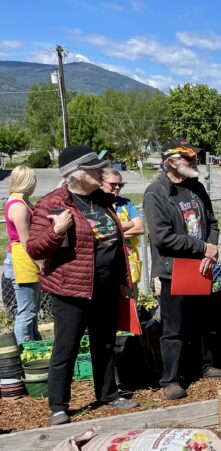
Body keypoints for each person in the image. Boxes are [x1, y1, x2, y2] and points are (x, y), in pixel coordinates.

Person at [27, 145, 138, 425]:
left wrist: (123, 280)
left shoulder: (101, 199)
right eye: (94, 168)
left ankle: (107, 393)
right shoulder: (53, 204)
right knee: (67, 347)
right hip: (71, 289)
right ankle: (59, 405)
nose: (101, 171)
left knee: (105, 343)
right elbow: (34, 248)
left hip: (105, 286)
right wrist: (56, 230)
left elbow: (116, 241)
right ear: (76, 174)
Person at [143, 138, 221, 401]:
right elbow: (162, 237)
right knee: (174, 326)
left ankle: (205, 365)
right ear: (171, 162)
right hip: (174, 269)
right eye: (188, 159)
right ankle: (170, 379)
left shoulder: (196, 188)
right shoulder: (156, 192)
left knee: (203, 321)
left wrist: (211, 249)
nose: (195, 162)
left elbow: (213, 223)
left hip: (201, 266)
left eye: (194, 158)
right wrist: (202, 248)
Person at [3, 166, 42, 343]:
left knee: (31, 311)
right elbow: (27, 242)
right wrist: (41, 263)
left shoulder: (22, 201)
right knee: (26, 311)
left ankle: (35, 344)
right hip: (22, 261)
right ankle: (24, 350)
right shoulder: (19, 206)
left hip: (24, 259)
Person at [101, 168, 144, 287]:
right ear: (101, 183)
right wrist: (130, 224)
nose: (117, 187)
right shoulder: (96, 205)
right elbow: (99, 232)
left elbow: (140, 228)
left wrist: (114, 236)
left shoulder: (127, 203)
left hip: (128, 261)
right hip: (106, 262)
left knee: (130, 302)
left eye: (120, 184)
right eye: (113, 184)